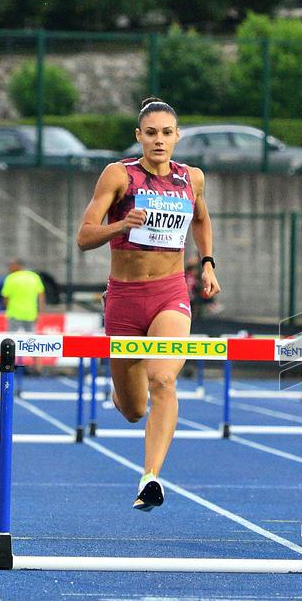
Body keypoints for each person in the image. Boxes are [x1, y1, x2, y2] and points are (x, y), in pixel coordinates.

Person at [77, 97, 220, 511]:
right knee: (133, 409)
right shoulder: (118, 176)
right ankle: (121, 388)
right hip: (123, 299)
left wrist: (207, 264)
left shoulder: (191, 178)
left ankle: (150, 478)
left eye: (167, 133)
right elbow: (84, 236)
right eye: (151, 133)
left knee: (163, 379)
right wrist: (123, 224)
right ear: (139, 136)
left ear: (177, 137)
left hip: (170, 294)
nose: (159, 140)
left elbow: (201, 219)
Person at [1, 259, 45, 332]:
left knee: (11, 337)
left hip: (14, 313)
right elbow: (41, 296)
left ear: (18, 266)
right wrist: (40, 312)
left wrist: (6, 308)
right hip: (30, 314)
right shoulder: (34, 277)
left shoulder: (11, 278)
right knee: (30, 338)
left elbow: (5, 298)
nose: (9, 268)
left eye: (11, 265)